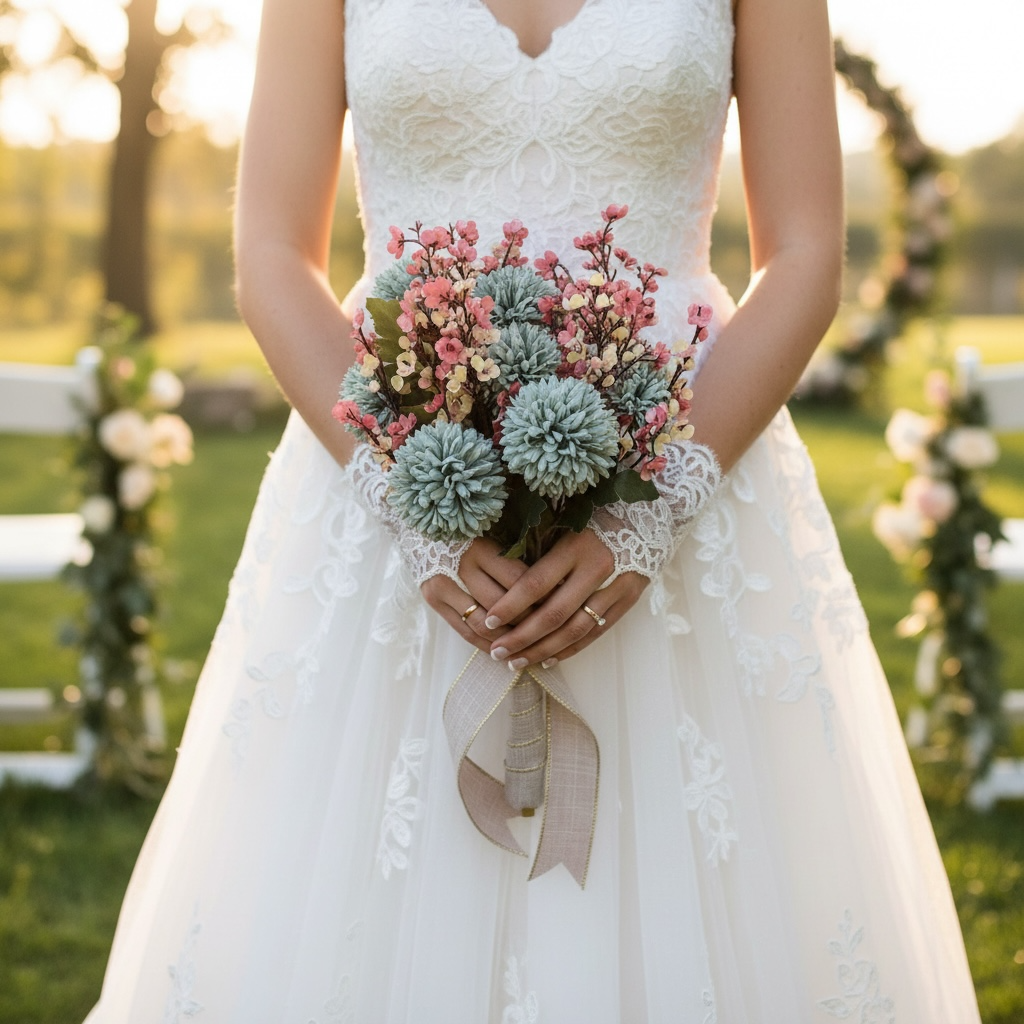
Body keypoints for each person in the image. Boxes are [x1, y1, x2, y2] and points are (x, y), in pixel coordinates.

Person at [84, 0, 982, 1020]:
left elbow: (808, 251)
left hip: (685, 459)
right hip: (387, 466)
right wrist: (405, 494)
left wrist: (654, 509)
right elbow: (271, 254)